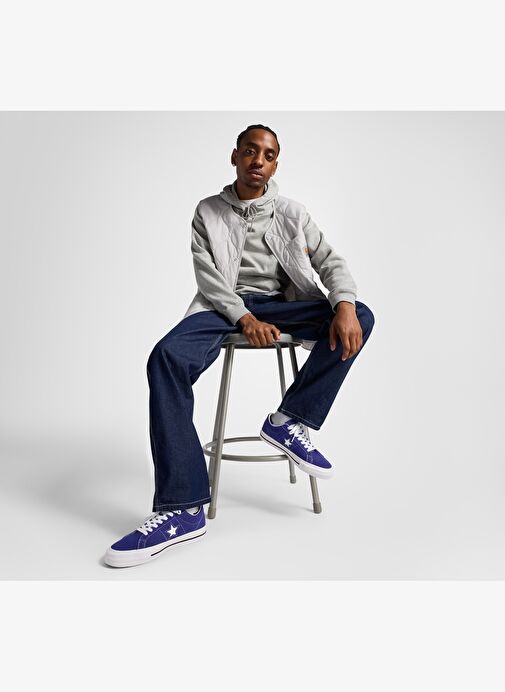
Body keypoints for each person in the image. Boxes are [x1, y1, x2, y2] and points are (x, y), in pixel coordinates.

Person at [104, 124, 375, 568]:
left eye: (268, 155)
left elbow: (330, 262)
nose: (258, 161)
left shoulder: (293, 213)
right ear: (235, 156)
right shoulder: (207, 211)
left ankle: (288, 421)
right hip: (224, 306)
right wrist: (244, 318)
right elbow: (208, 276)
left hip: (284, 306)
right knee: (165, 358)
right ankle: (183, 508)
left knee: (360, 315)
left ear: (275, 165)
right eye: (250, 151)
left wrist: (343, 303)